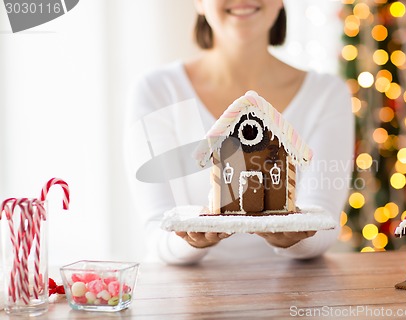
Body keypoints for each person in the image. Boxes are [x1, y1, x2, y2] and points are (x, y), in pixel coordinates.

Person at [126, 0, 354, 264]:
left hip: (293, 296)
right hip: (186, 295)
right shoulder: (157, 90)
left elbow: (324, 221)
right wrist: (190, 240)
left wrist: (296, 237)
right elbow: (157, 229)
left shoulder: (326, 94)